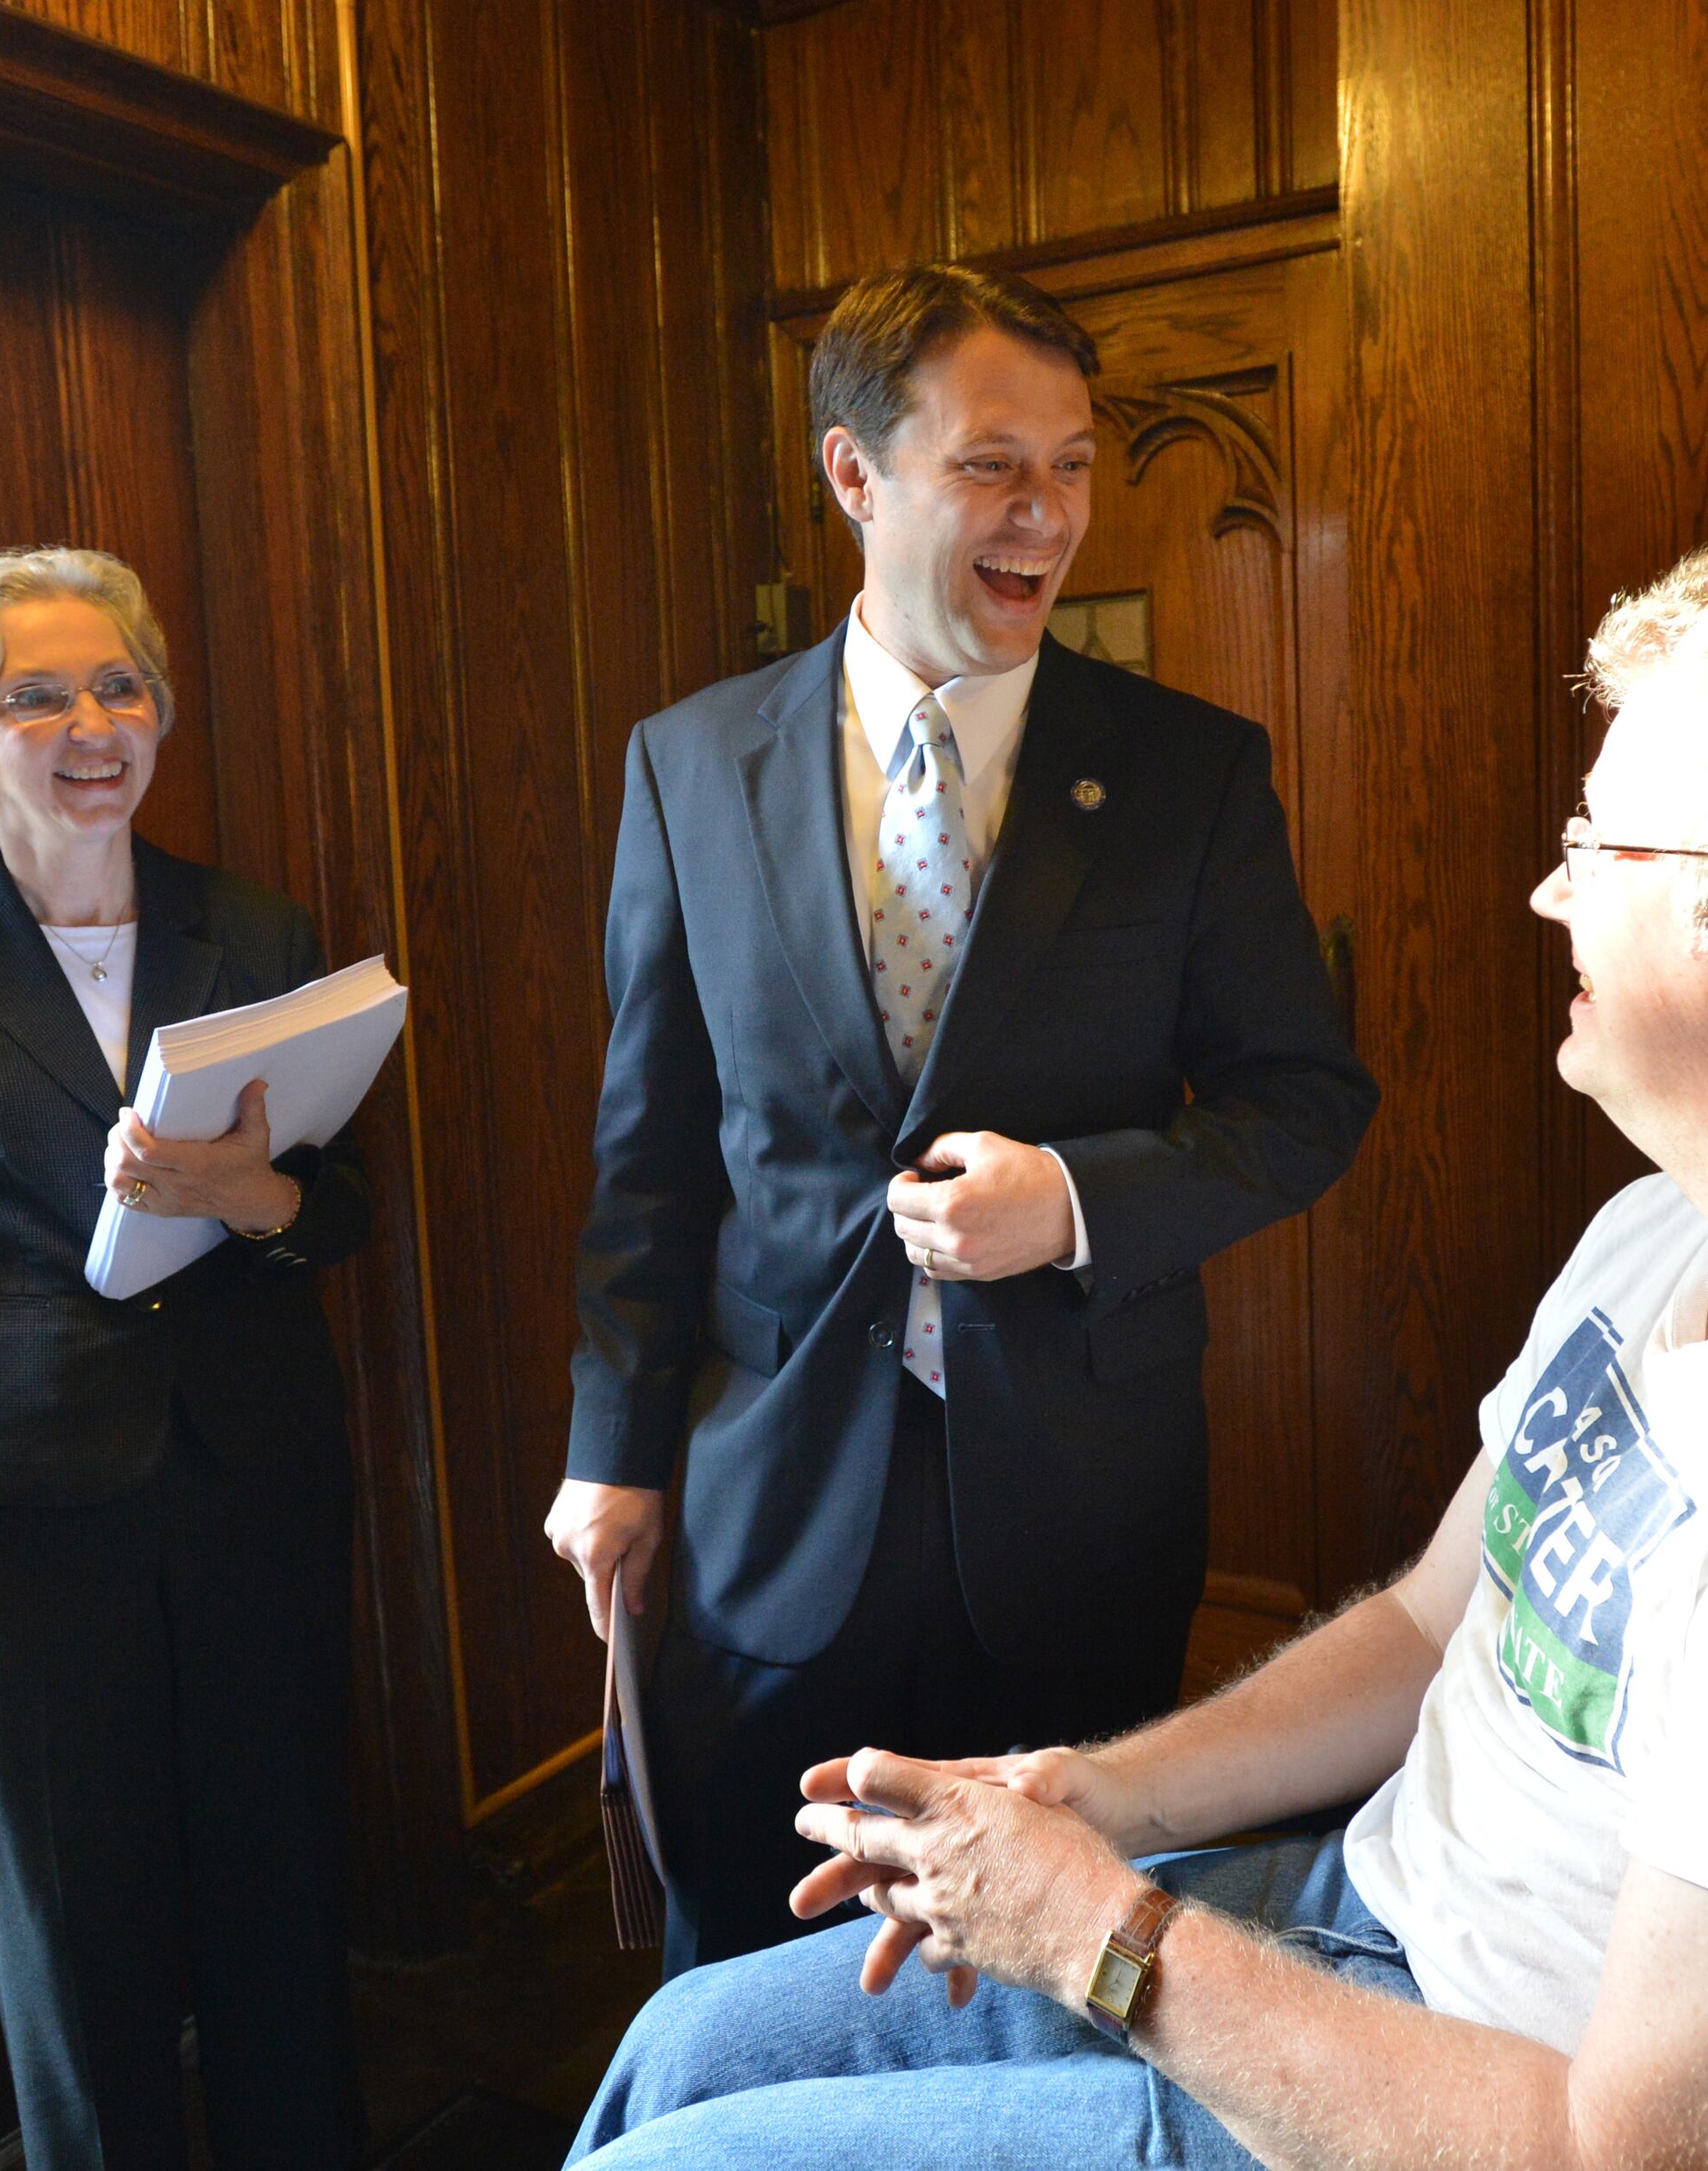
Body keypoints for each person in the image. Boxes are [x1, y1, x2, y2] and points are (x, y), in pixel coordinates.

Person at [565, 537, 1708, 2171]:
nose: (1550, 887)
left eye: (1603, 845)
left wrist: (1099, 1935)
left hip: (1505, 2094)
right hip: (1373, 1916)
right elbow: (1444, 1621)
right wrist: (1097, 1798)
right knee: (681, 2046)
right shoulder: (1680, 1218)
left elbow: (1632, 2159)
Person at [548, 261, 1377, 1973]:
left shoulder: (1186, 774)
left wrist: (1075, 1198)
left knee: (1044, 1980)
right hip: (768, 1512)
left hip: (1079, 1506)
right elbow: (651, 1151)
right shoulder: (687, 765)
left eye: (1073, 465)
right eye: (996, 464)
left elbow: (1308, 1101)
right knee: (762, 1961)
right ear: (853, 472)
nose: (1048, 512)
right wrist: (611, 1448)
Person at [0, 547, 373, 2171]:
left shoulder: (252, 926)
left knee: (281, 1906)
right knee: (73, 1945)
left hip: (251, 1486)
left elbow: (343, 1217)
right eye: (36, 696)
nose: (91, 724)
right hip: (13, 1539)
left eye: (119, 686)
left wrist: (252, 1195)